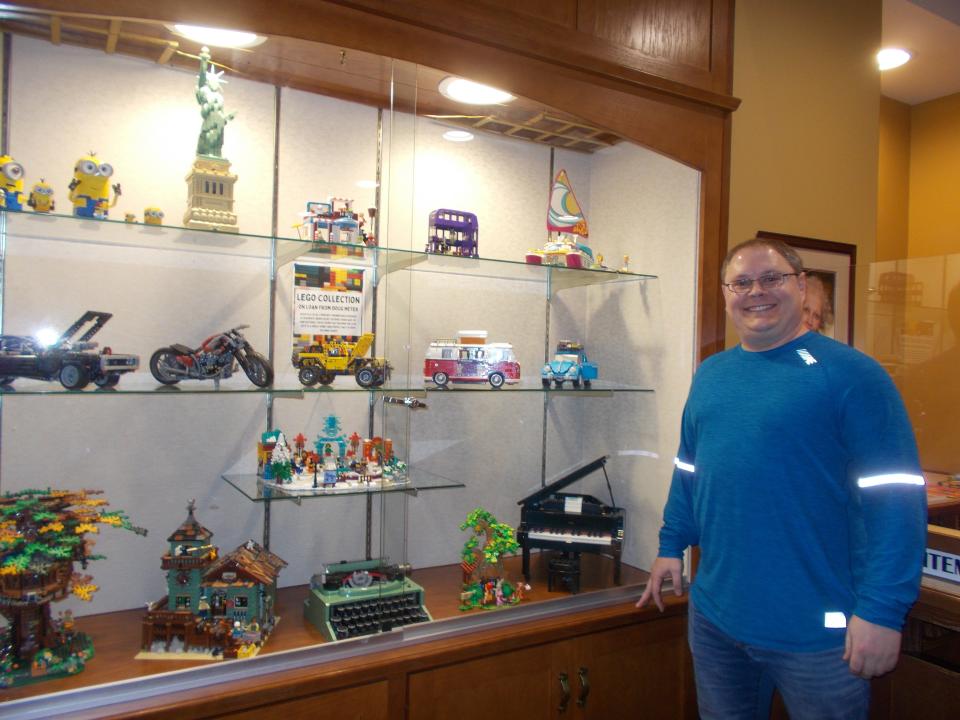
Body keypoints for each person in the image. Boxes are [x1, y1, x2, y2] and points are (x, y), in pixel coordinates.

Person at [637, 237, 927, 719]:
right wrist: (671, 545)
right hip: (716, 620)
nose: (756, 292)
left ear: (802, 286)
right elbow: (690, 467)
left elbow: (897, 502)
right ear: (726, 293)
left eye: (771, 278)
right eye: (741, 282)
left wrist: (882, 610)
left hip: (820, 636)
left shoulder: (853, 376)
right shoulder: (713, 374)